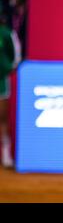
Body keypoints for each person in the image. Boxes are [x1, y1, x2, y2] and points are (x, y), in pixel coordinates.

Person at [0, 13, 15, 168]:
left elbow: (14, 56)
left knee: (2, 119)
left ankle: (5, 156)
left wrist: (5, 69)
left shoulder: (6, 33)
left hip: (1, 82)